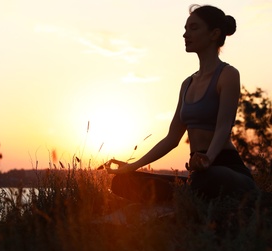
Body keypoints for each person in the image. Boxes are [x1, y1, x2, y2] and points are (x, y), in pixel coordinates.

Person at [106, 5, 257, 203]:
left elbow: (223, 128)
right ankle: (188, 197)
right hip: (199, 172)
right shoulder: (188, 84)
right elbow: (171, 139)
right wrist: (131, 167)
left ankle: (190, 196)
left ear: (214, 34)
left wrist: (207, 159)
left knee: (207, 178)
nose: (185, 34)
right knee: (121, 182)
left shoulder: (228, 75)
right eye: (185, 29)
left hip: (225, 169)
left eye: (193, 28)